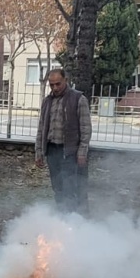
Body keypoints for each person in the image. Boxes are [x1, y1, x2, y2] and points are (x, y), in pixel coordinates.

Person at [34, 68, 91, 214]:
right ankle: (61, 218)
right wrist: (39, 151)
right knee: (58, 188)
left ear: (66, 80)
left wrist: (82, 152)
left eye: (58, 84)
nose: (55, 88)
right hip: (52, 151)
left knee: (71, 188)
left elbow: (85, 128)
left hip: (71, 152)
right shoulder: (47, 101)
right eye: (51, 85)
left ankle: (74, 221)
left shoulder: (79, 99)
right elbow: (41, 128)